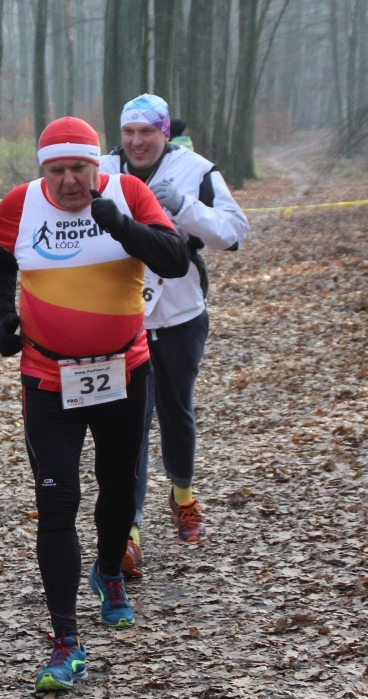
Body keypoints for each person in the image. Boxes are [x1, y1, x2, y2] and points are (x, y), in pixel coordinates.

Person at [0, 117, 191, 692]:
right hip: (47, 377)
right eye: (58, 170)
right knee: (56, 502)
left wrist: (121, 226)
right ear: (42, 171)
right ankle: (65, 642)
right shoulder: (21, 204)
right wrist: (3, 315)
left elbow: (175, 259)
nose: (70, 180)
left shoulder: (129, 192)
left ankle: (108, 573)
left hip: (123, 371)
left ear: (97, 165)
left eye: (80, 168)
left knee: (119, 487)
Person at [100, 94, 248, 576]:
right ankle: (129, 531)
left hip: (181, 314)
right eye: (129, 132)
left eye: (147, 132)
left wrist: (185, 207)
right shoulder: (101, 170)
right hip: (122, 317)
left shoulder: (196, 171)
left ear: (165, 133)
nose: (137, 141)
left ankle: (182, 497)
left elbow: (234, 233)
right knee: (130, 425)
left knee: (176, 412)